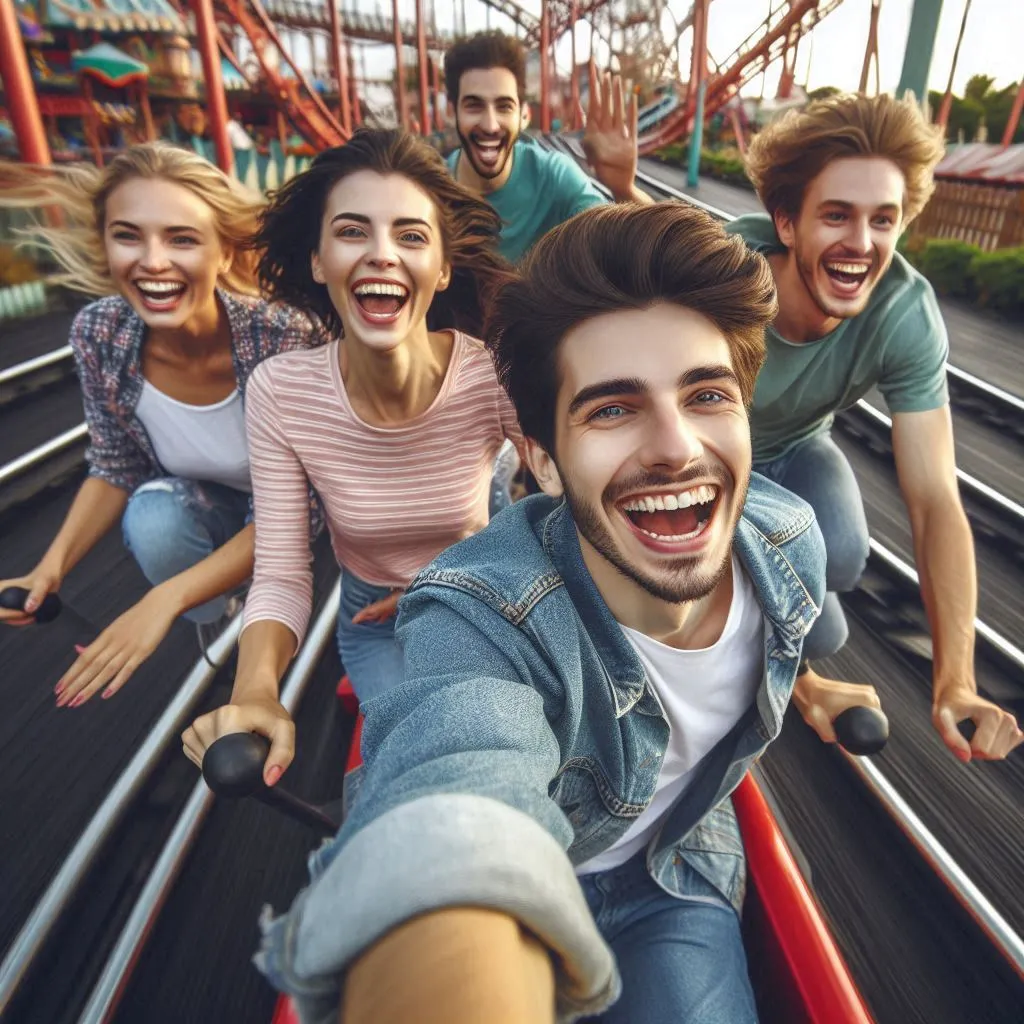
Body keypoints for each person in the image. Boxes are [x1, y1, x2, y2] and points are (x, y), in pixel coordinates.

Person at [184, 202, 828, 1024]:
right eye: (612, 409)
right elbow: (460, 783)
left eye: (707, 394)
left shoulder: (788, 548)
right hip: (534, 845)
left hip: (678, 866)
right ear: (541, 462)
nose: (675, 445)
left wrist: (811, 683)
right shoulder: (478, 615)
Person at [183, 128, 522, 737]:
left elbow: (575, 504)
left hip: (482, 591)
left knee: (479, 733)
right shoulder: (280, 392)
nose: (381, 253)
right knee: (410, 739)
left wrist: (457, 584)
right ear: (319, 261)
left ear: (442, 269)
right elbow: (284, 569)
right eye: (351, 230)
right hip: (374, 616)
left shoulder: (492, 370)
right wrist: (258, 691)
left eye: (410, 236)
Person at [731, 93, 1022, 763]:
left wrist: (955, 681)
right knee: (801, 606)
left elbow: (934, 499)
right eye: (836, 215)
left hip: (796, 444)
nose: (861, 243)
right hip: (706, 460)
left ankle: (793, 632)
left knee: (839, 554)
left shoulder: (903, 313)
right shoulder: (723, 278)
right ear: (786, 222)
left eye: (882, 220)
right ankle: (797, 668)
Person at [0, 143, 321, 706]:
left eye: (181, 239)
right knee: (151, 515)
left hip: (291, 509)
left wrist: (160, 601)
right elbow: (115, 465)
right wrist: (47, 571)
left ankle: (246, 603)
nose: (151, 260)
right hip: (206, 501)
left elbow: (299, 513)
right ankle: (219, 601)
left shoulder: (283, 337)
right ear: (105, 245)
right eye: (128, 235)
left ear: (224, 253)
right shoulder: (99, 334)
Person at [443, 30, 652, 264]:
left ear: (524, 115)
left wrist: (624, 190)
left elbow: (646, 247)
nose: (491, 125)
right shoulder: (432, 188)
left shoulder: (552, 175)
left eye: (504, 107)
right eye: (474, 106)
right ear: (452, 113)